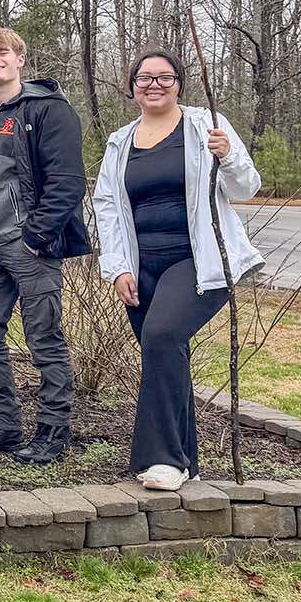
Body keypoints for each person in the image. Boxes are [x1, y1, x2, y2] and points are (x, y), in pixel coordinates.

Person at [94, 48, 263, 490]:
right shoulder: (120, 141)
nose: (154, 84)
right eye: (145, 78)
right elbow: (107, 207)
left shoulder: (207, 125)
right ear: (132, 87)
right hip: (141, 268)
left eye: (164, 77)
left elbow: (246, 188)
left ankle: (162, 459)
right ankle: (186, 460)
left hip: (198, 261)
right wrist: (118, 268)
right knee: (166, 355)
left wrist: (229, 155)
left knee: (162, 335)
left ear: (179, 83)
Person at [0, 26, 90, 465]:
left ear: (20, 60)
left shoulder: (48, 109)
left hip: (29, 247)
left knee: (44, 338)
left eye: (2, 53)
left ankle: (53, 431)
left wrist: (35, 237)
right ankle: (5, 424)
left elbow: (68, 183)